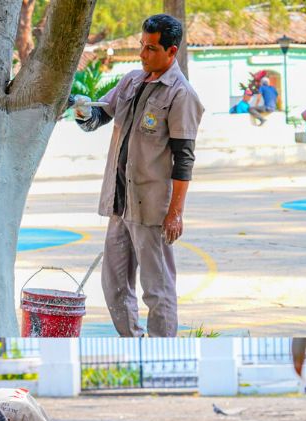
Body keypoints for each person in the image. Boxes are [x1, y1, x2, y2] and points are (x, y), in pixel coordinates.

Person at [72, 14, 203, 338]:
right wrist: (82, 111)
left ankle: (163, 350)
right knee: (114, 286)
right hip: (120, 204)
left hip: (151, 209)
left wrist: (175, 213)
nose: (143, 55)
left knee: (156, 290)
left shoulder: (180, 95)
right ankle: (134, 342)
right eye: (141, 46)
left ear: (171, 52)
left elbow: (184, 160)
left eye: (151, 49)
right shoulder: (131, 81)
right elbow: (98, 118)